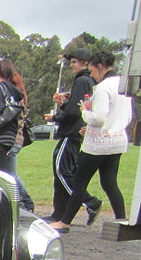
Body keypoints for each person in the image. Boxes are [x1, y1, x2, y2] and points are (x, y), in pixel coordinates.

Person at [49, 52, 132, 232]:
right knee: (110, 182)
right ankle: (120, 220)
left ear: (99, 66)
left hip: (98, 144)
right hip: (117, 141)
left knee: (79, 182)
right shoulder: (123, 85)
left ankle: (64, 222)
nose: (92, 75)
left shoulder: (102, 87)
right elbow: (126, 115)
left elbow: (98, 118)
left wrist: (84, 112)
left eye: (92, 70)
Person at [43, 48, 102, 225]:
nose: (71, 65)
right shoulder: (87, 81)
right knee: (63, 171)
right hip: (76, 132)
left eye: (74, 62)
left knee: (62, 171)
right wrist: (63, 104)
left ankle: (90, 202)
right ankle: (59, 214)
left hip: (71, 133)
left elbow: (74, 111)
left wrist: (56, 116)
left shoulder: (82, 80)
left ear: (85, 63)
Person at [5, 68, 35, 211]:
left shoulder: (15, 100)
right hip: (15, 140)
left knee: (9, 175)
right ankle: (23, 202)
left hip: (12, 140)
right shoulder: (20, 98)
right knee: (10, 174)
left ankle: (26, 202)